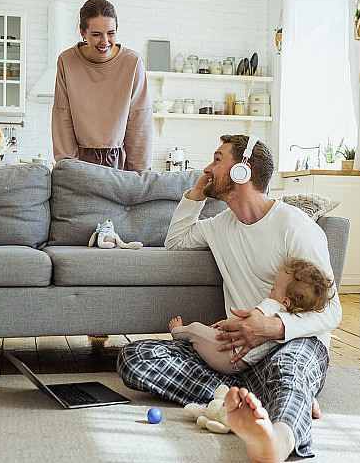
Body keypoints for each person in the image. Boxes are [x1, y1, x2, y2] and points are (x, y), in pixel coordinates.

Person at [117, 134, 342, 462]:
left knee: (285, 367)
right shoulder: (219, 224)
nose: (208, 168)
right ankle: (273, 400)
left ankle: (278, 441)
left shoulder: (296, 227)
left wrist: (273, 327)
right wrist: (196, 195)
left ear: (242, 172)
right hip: (237, 356)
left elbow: (332, 312)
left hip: (294, 343)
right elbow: (176, 242)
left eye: (217, 160)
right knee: (135, 357)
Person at [168, 257, 334, 375]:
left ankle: (178, 332)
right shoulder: (295, 319)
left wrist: (227, 323)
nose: (271, 290)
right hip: (245, 362)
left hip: (229, 357)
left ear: (285, 301)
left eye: (274, 288)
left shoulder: (271, 305)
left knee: (195, 329)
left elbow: (248, 322)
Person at [51, 0, 153, 172]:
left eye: (111, 33)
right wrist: (68, 169)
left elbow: (139, 121)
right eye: (96, 34)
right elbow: (62, 116)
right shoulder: (66, 61)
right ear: (83, 33)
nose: (105, 41)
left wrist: (139, 177)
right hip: (79, 162)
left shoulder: (132, 63)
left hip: (119, 164)